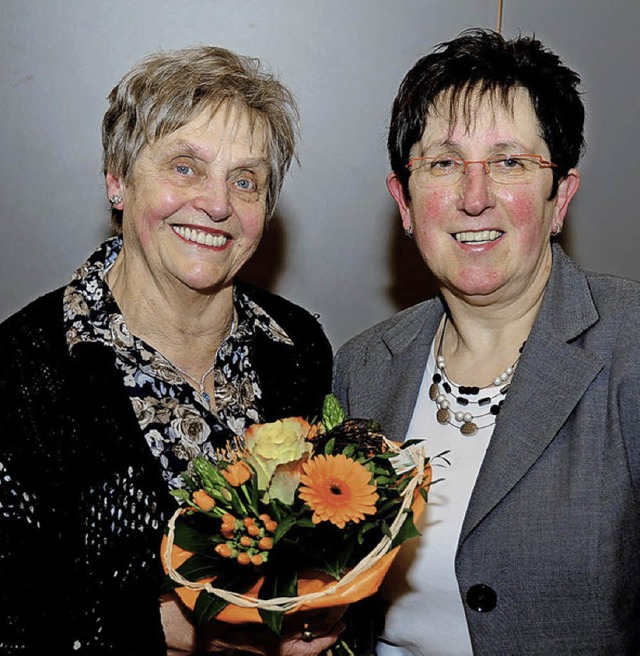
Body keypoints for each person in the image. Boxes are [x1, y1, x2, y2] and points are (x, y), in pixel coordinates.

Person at [0, 46, 340, 655]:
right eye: (185, 167)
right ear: (118, 180)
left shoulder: (298, 348)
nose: (217, 205)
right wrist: (196, 625)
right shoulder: (19, 373)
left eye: (246, 180)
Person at [333, 28, 640, 655]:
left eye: (509, 163)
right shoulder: (361, 368)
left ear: (560, 198)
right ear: (406, 201)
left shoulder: (630, 347)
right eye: (443, 164)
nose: (474, 199)